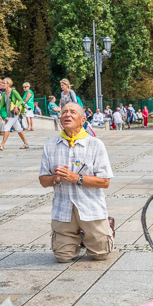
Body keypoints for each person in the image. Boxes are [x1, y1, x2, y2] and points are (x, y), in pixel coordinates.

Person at [39, 102, 115, 263]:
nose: (67, 115)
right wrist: (55, 179)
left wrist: (77, 178)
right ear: (60, 120)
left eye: (73, 112)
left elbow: (105, 181)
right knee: (62, 257)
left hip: (90, 207)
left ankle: (106, 227)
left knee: (100, 254)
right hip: (63, 209)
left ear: (82, 119)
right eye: (64, 112)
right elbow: (43, 180)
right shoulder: (50, 145)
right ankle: (79, 236)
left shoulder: (95, 144)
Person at [0, 77, 30, 150]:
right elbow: (1, 104)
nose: (2, 84)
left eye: (4, 83)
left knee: (6, 127)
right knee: (18, 128)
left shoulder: (13, 92)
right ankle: (26, 144)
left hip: (15, 113)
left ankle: (2, 145)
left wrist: (16, 105)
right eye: (2, 83)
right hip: (9, 113)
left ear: (8, 84)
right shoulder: (4, 94)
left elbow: (21, 100)